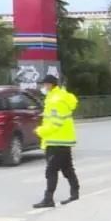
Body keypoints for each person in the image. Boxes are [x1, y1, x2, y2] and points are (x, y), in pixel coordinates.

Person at [32, 74, 80, 209]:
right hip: (64, 139)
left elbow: (55, 122)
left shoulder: (55, 100)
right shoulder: (61, 96)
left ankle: (48, 199)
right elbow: (58, 116)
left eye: (44, 84)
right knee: (67, 168)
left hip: (55, 140)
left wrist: (40, 131)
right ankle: (75, 193)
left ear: (50, 85)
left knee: (51, 171)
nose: (43, 87)